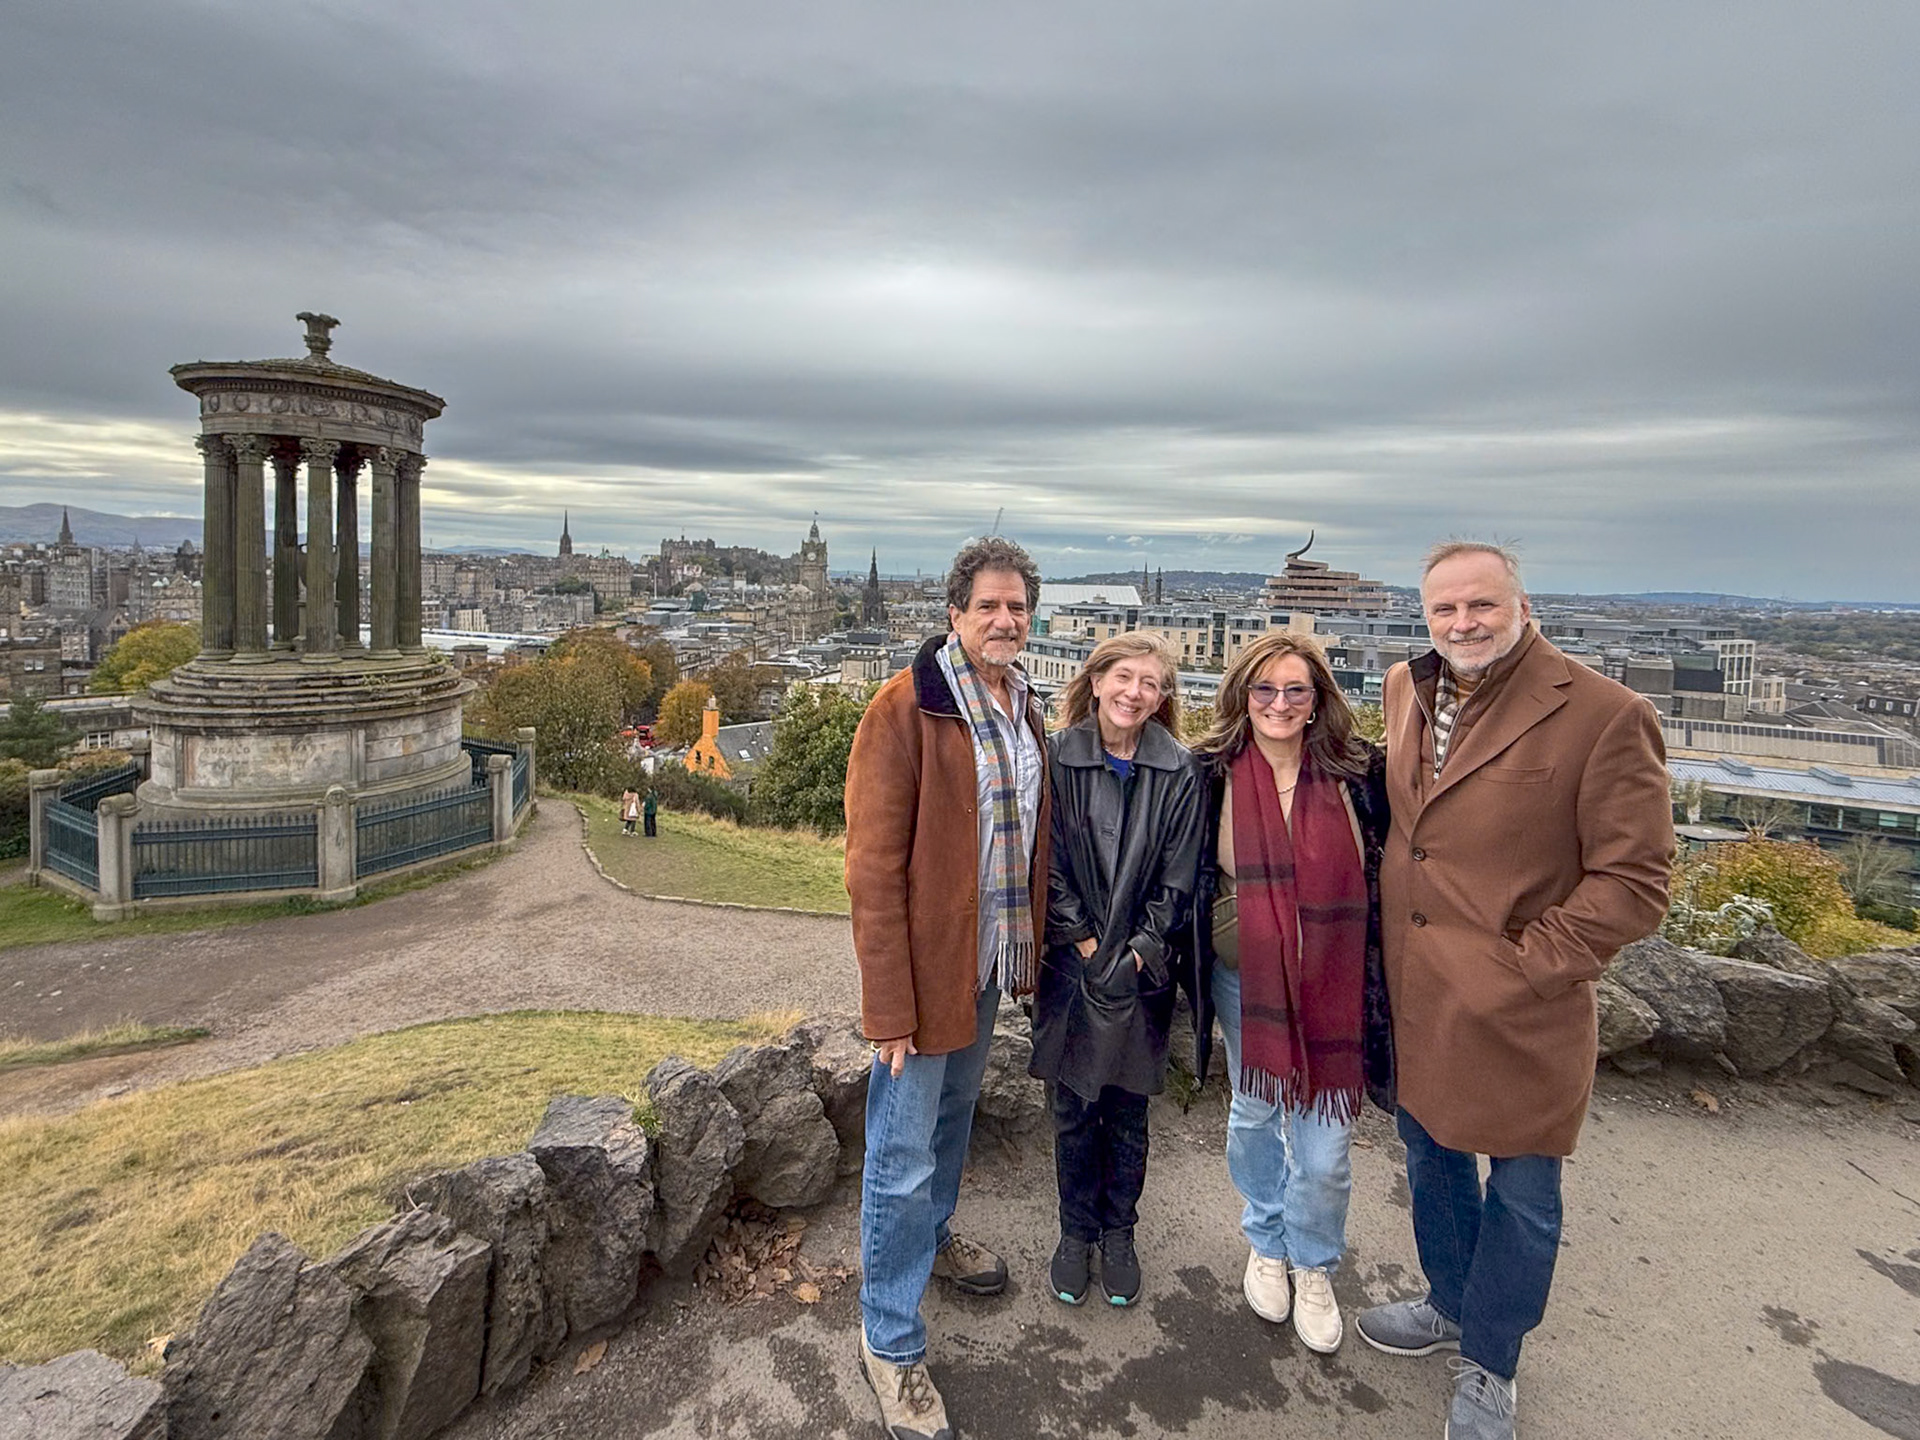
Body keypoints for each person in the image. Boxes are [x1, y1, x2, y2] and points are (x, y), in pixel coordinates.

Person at [1355, 542, 1673, 1440]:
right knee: (1432, 1161)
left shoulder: (1606, 713)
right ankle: (1450, 1303)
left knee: (1524, 1193)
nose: (1463, 624)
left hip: (1524, 1006)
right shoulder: (1406, 687)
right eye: (1444, 609)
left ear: (1522, 606)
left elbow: (1636, 881)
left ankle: (1492, 1361)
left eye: (1481, 605)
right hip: (1418, 992)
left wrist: (1527, 964)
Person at [844, 536, 1049, 1440]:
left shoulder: (1025, 706)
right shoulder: (903, 709)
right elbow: (871, 872)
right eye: (988, 606)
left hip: (987, 966)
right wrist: (889, 1006)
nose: (1005, 620)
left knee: (951, 1123)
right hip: (925, 981)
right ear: (954, 614)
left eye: (1018, 607)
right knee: (900, 1155)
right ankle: (889, 1342)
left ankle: (928, 1244)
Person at [1181, 632, 1391, 1356]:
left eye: (1295, 689)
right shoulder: (1210, 771)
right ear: (1242, 695)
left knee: (1325, 1146)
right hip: (1248, 977)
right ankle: (1266, 1238)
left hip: (1334, 973)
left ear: (1317, 699)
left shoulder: (1357, 774)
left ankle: (1315, 1261)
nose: (1279, 702)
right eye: (1264, 689)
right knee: (1254, 1109)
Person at [1031, 632, 1202, 1309]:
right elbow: (1045, 859)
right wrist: (1081, 940)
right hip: (1072, 969)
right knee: (1073, 1109)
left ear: (1162, 698)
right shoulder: (1056, 757)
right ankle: (1075, 1234)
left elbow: (1180, 877)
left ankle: (1120, 1233)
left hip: (1141, 972)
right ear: (1096, 681)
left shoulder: (1179, 769)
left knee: (1129, 1111)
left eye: (1149, 683)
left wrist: (1138, 950)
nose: (1134, 692)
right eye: (1123, 677)